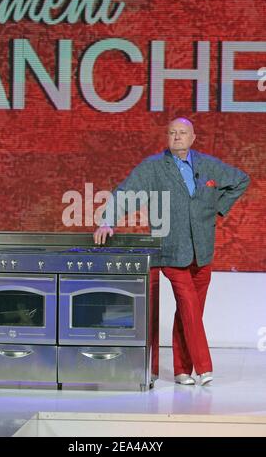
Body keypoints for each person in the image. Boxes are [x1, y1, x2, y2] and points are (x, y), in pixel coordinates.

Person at [93, 117, 250, 386]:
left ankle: (181, 370)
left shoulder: (208, 165)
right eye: (172, 133)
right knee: (188, 306)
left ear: (193, 138)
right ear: (167, 137)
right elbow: (126, 193)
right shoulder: (154, 167)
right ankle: (204, 368)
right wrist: (108, 220)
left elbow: (241, 180)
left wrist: (218, 207)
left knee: (190, 313)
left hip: (202, 251)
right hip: (170, 249)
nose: (177, 137)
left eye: (182, 133)